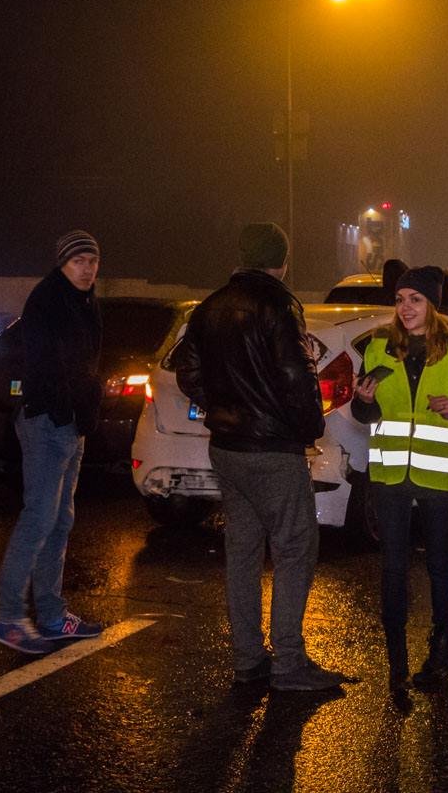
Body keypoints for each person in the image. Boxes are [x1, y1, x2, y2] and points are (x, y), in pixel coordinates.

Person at [175, 222, 354, 692]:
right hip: (272, 449)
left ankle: (248, 659)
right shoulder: (278, 305)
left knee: (243, 550)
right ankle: (289, 663)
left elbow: (186, 370)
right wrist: (308, 426)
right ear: (282, 261)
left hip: (227, 448)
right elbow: (297, 376)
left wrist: (219, 404)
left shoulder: (211, 307)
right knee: (296, 547)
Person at [351, 265, 448, 694]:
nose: (406, 307)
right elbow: (365, 415)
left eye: (415, 299)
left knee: (437, 564)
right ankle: (395, 661)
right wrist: (364, 402)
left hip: (438, 474)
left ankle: (441, 653)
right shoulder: (378, 346)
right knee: (392, 567)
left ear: (431, 305)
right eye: (400, 299)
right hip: (391, 473)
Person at [0, 230, 104, 654]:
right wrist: (66, 408)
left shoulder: (84, 301)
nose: (87, 269)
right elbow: (47, 367)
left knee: (60, 519)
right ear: (62, 263)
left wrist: (85, 411)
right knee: (39, 516)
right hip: (46, 422)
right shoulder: (46, 301)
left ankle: (52, 615)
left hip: (70, 423)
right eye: (79, 262)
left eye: (92, 261)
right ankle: (8, 616)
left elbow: (88, 363)